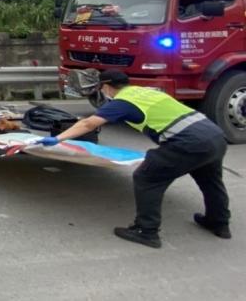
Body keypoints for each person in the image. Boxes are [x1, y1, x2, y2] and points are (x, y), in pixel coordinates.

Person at [40, 70, 231, 248]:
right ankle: (219, 223)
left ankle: (146, 231)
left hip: (188, 142)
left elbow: (89, 123)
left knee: (147, 177)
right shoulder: (144, 92)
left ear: (106, 87)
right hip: (214, 135)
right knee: (210, 181)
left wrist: (57, 138)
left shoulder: (122, 101)